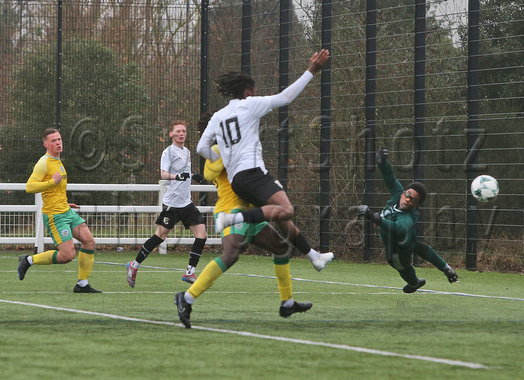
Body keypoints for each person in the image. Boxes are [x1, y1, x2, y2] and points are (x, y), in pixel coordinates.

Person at [196, 49, 333, 272]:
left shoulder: (219, 115)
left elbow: (201, 147)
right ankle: (233, 219)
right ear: (248, 91)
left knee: (281, 217)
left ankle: (313, 255)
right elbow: (286, 97)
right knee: (286, 210)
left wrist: (223, 157)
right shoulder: (250, 104)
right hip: (253, 174)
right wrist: (312, 70)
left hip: (239, 180)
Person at [175, 142, 313, 328]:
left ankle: (287, 303)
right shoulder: (219, 150)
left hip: (248, 212)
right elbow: (210, 173)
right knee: (230, 255)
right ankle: (186, 298)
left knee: (281, 248)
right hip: (231, 211)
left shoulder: (238, 147)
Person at [357, 148, 459, 293]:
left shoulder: (409, 216)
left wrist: (374, 217)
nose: (408, 199)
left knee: (401, 266)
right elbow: (389, 177)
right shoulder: (398, 194)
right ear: (404, 193)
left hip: (400, 247)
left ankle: (414, 283)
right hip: (403, 241)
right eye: (408, 194)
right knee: (422, 249)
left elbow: (398, 228)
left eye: (413, 200)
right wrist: (382, 162)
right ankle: (446, 269)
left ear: (416, 205)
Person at [18, 128, 100, 293]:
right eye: (54, 140)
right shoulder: (44, 163)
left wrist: (65, 202)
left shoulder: (58, 162)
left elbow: (56, 190)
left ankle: (82, 284)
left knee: (89, 241)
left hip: (65, 210)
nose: (58, 143)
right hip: (55, 216)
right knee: (67, 256)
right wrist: (51, 183)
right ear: (46, 144)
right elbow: (30, 187)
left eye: (59, 139)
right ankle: (28, 260)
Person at [126, 120, 207, 287]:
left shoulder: (187, 152)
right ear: (171, 134)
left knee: (202, 235)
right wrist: (176, 177)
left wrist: (193, 175)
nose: (181, 134)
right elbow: (164, 174)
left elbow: (183, 171)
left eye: (184, 131)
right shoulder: (168, 152)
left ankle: (190, 272)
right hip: (172, 204)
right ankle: (134, 266)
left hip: (186, 203)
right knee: (160, 236)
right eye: (178, 131)